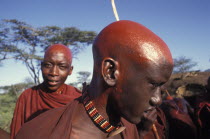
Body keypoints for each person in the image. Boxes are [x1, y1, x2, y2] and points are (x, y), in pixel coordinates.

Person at [15, 20, 173, 139]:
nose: (158, 100)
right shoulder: (37, 133)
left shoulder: (127, 127)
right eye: (153, 85)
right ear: (110, 72)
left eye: (161, 87)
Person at [10, 44, 81, 139]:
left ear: (70, 70)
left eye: (62, 66)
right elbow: (17, 134)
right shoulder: (28, 97)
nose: (53, 72)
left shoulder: (78, 99)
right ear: (41, 66)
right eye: (48, 65)